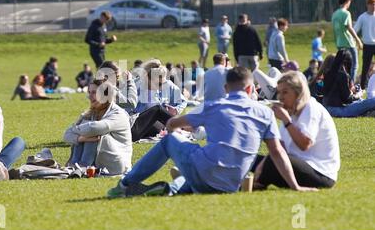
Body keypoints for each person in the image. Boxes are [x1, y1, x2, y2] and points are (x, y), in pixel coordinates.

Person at [107, 67, 317, 198]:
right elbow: (277, 153)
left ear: (226, 88)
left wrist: (173, 131)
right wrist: (295, 186)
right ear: (250, 89)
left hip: (205, 172)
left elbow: (172, 123)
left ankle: (125, 184)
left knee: (172, 142)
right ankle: (172, 189)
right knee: (202, 160)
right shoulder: (265, 113)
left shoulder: (214, 106)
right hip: (232, 183)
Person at [252, 71, 340, 189]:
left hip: (320, 172)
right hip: (296, 164)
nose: (280, 97)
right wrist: (261, 164)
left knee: (272, 163)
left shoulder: (311, 108)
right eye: (279, 92)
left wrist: (286, 121)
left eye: (285, 92)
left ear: (298, 92)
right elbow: (280, 148)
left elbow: (305, 144)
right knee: (251, 158)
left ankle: (257, 184)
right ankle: (250, 181)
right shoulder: (290, 111)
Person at [63, 79, 132, 175]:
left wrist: (75, 130)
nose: (90, 96)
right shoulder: (90, 114)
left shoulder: (118, 114)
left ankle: (83, 166)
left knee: (98, 135)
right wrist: (80, 138)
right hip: (97, 165)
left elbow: (94, 128)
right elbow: (66, 135)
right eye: (89, 92)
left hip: (117, 166)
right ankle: (75, 165)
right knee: (84, 135)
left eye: (94, 93)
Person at [131, 59, 187, 142]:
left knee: (158, 123)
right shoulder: (135, 85)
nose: (161, 86)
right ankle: (184, 128)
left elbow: (182, 101)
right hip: (137, 123)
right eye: (159, 83)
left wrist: (176, 110)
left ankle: (183, 128)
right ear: (147, 78)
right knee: (158, 109)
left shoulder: (168, 85)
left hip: (157, 125)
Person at [323, 49, 375, 117]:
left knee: (361, 102)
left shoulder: (327, 73)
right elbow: (347, 100)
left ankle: (367, 112)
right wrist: (359, 94)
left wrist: (352, 92)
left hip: (328, 109)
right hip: (339, 110)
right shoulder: (342, 75)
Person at [331, 0, 363, 82]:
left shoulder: (334, 14)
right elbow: (349, 27)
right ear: (347, 1)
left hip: (339, 44)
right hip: (349, 43)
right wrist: (358, 40)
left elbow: (335, 30)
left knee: (343, 66)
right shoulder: (346, 13)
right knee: (354, 65)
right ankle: (351, 84)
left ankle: (343, 84)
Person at [354, 0, 375, 89]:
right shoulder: (363, 17)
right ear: (367, 5)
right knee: (366, 67)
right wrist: (358, 41)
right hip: (367, 45)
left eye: (374, 4)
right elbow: (355, 30)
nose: (373, 6)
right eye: (371, 4)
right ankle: (364, 86)